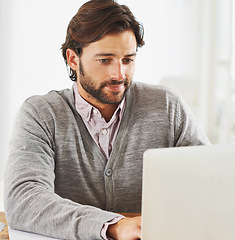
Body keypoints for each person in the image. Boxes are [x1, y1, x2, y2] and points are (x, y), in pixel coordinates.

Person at [4, 0, 209, 239]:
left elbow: (208, 182)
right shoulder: (41, 114)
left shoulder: (167, 105)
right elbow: (23, 199)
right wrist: (113, 226)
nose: (118, 74)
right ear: (73, 59)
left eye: (128, 60)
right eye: (105, 60)